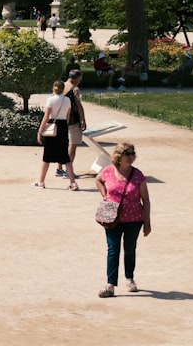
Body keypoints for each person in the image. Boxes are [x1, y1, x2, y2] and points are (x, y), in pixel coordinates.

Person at [95, 142, 152, 298]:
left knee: (130, 249)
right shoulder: (108, 171)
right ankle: (110, 284)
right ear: (119, 156)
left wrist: (147, 223)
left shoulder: (138, 175)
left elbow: (146, 200)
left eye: (133, 154)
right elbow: (98, 180)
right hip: (112, 217)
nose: (132, 157)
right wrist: (105, 195)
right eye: (128, 154)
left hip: (134, 220)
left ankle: (129, 278)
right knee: (113, 250)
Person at [33, 81, 79, 189]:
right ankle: (73, 182)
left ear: (54, 88)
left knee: (47, 156)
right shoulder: (67, 100)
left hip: (52, 126)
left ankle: (41, 181)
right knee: (65, 157)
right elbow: (67, 116)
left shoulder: (50, 100)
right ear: (63, 89)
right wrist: (64, 127)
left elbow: (46, 116)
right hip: (63, 126)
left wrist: (40, 131)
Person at [59, 70, 88, 176]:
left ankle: (59, 168)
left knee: (62, 143)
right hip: (72, 120)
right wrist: (83, 119)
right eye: (80, 79)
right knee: (72, 145)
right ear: (76, 78)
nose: (80, 81)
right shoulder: (74, 89)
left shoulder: (60, 86)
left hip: (60, 118)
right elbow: (78, 105)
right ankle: (68, 170)